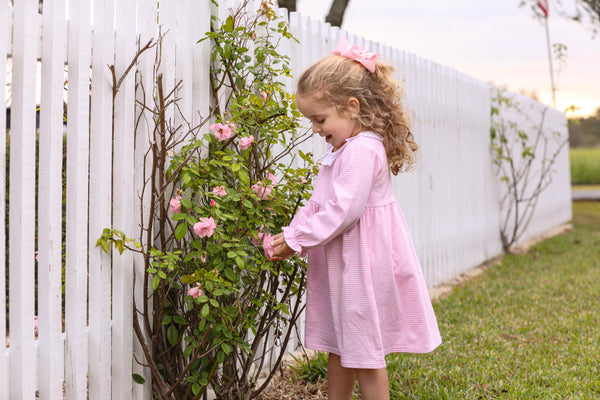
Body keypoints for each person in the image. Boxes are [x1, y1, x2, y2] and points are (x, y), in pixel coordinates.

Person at [269, 36, 442, 400]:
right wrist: (293, 232)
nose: (316, 129)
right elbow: (322, 203)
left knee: (364, 351)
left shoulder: (363, 150)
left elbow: (344, 211)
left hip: (362, 263)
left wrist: (298, 238)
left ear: (351, 106)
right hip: (346, 262)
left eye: (320, 119)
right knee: (340, 344)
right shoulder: (347, 148)